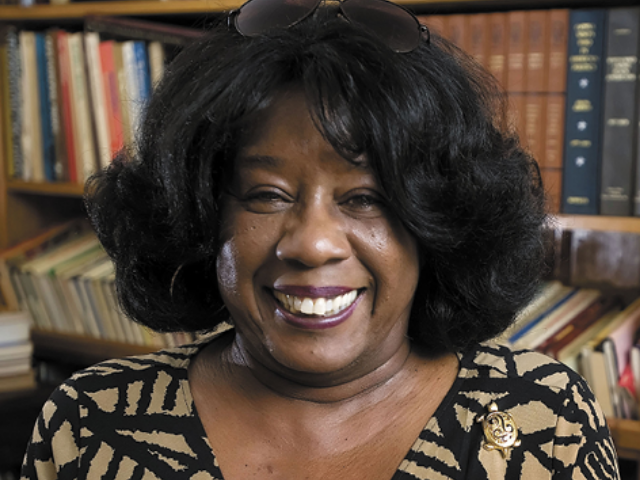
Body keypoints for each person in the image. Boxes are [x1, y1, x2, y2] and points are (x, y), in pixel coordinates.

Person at [21, 0, 620, 478]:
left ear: (438, 224)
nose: (312, 245)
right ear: (201, 217)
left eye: (366, 199)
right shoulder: (91, 424)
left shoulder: (545, 420)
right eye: (266, 194)